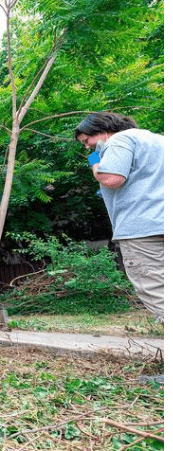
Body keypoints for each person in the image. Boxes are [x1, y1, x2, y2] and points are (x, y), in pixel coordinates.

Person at [74, 111, 164, 324]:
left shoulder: (119, 139)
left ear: (103, 130)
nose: (88, 147)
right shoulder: (160, 141)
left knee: (156, 289)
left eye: (87, 141)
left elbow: (111, 178)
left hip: (143, 230)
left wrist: (96, 164)